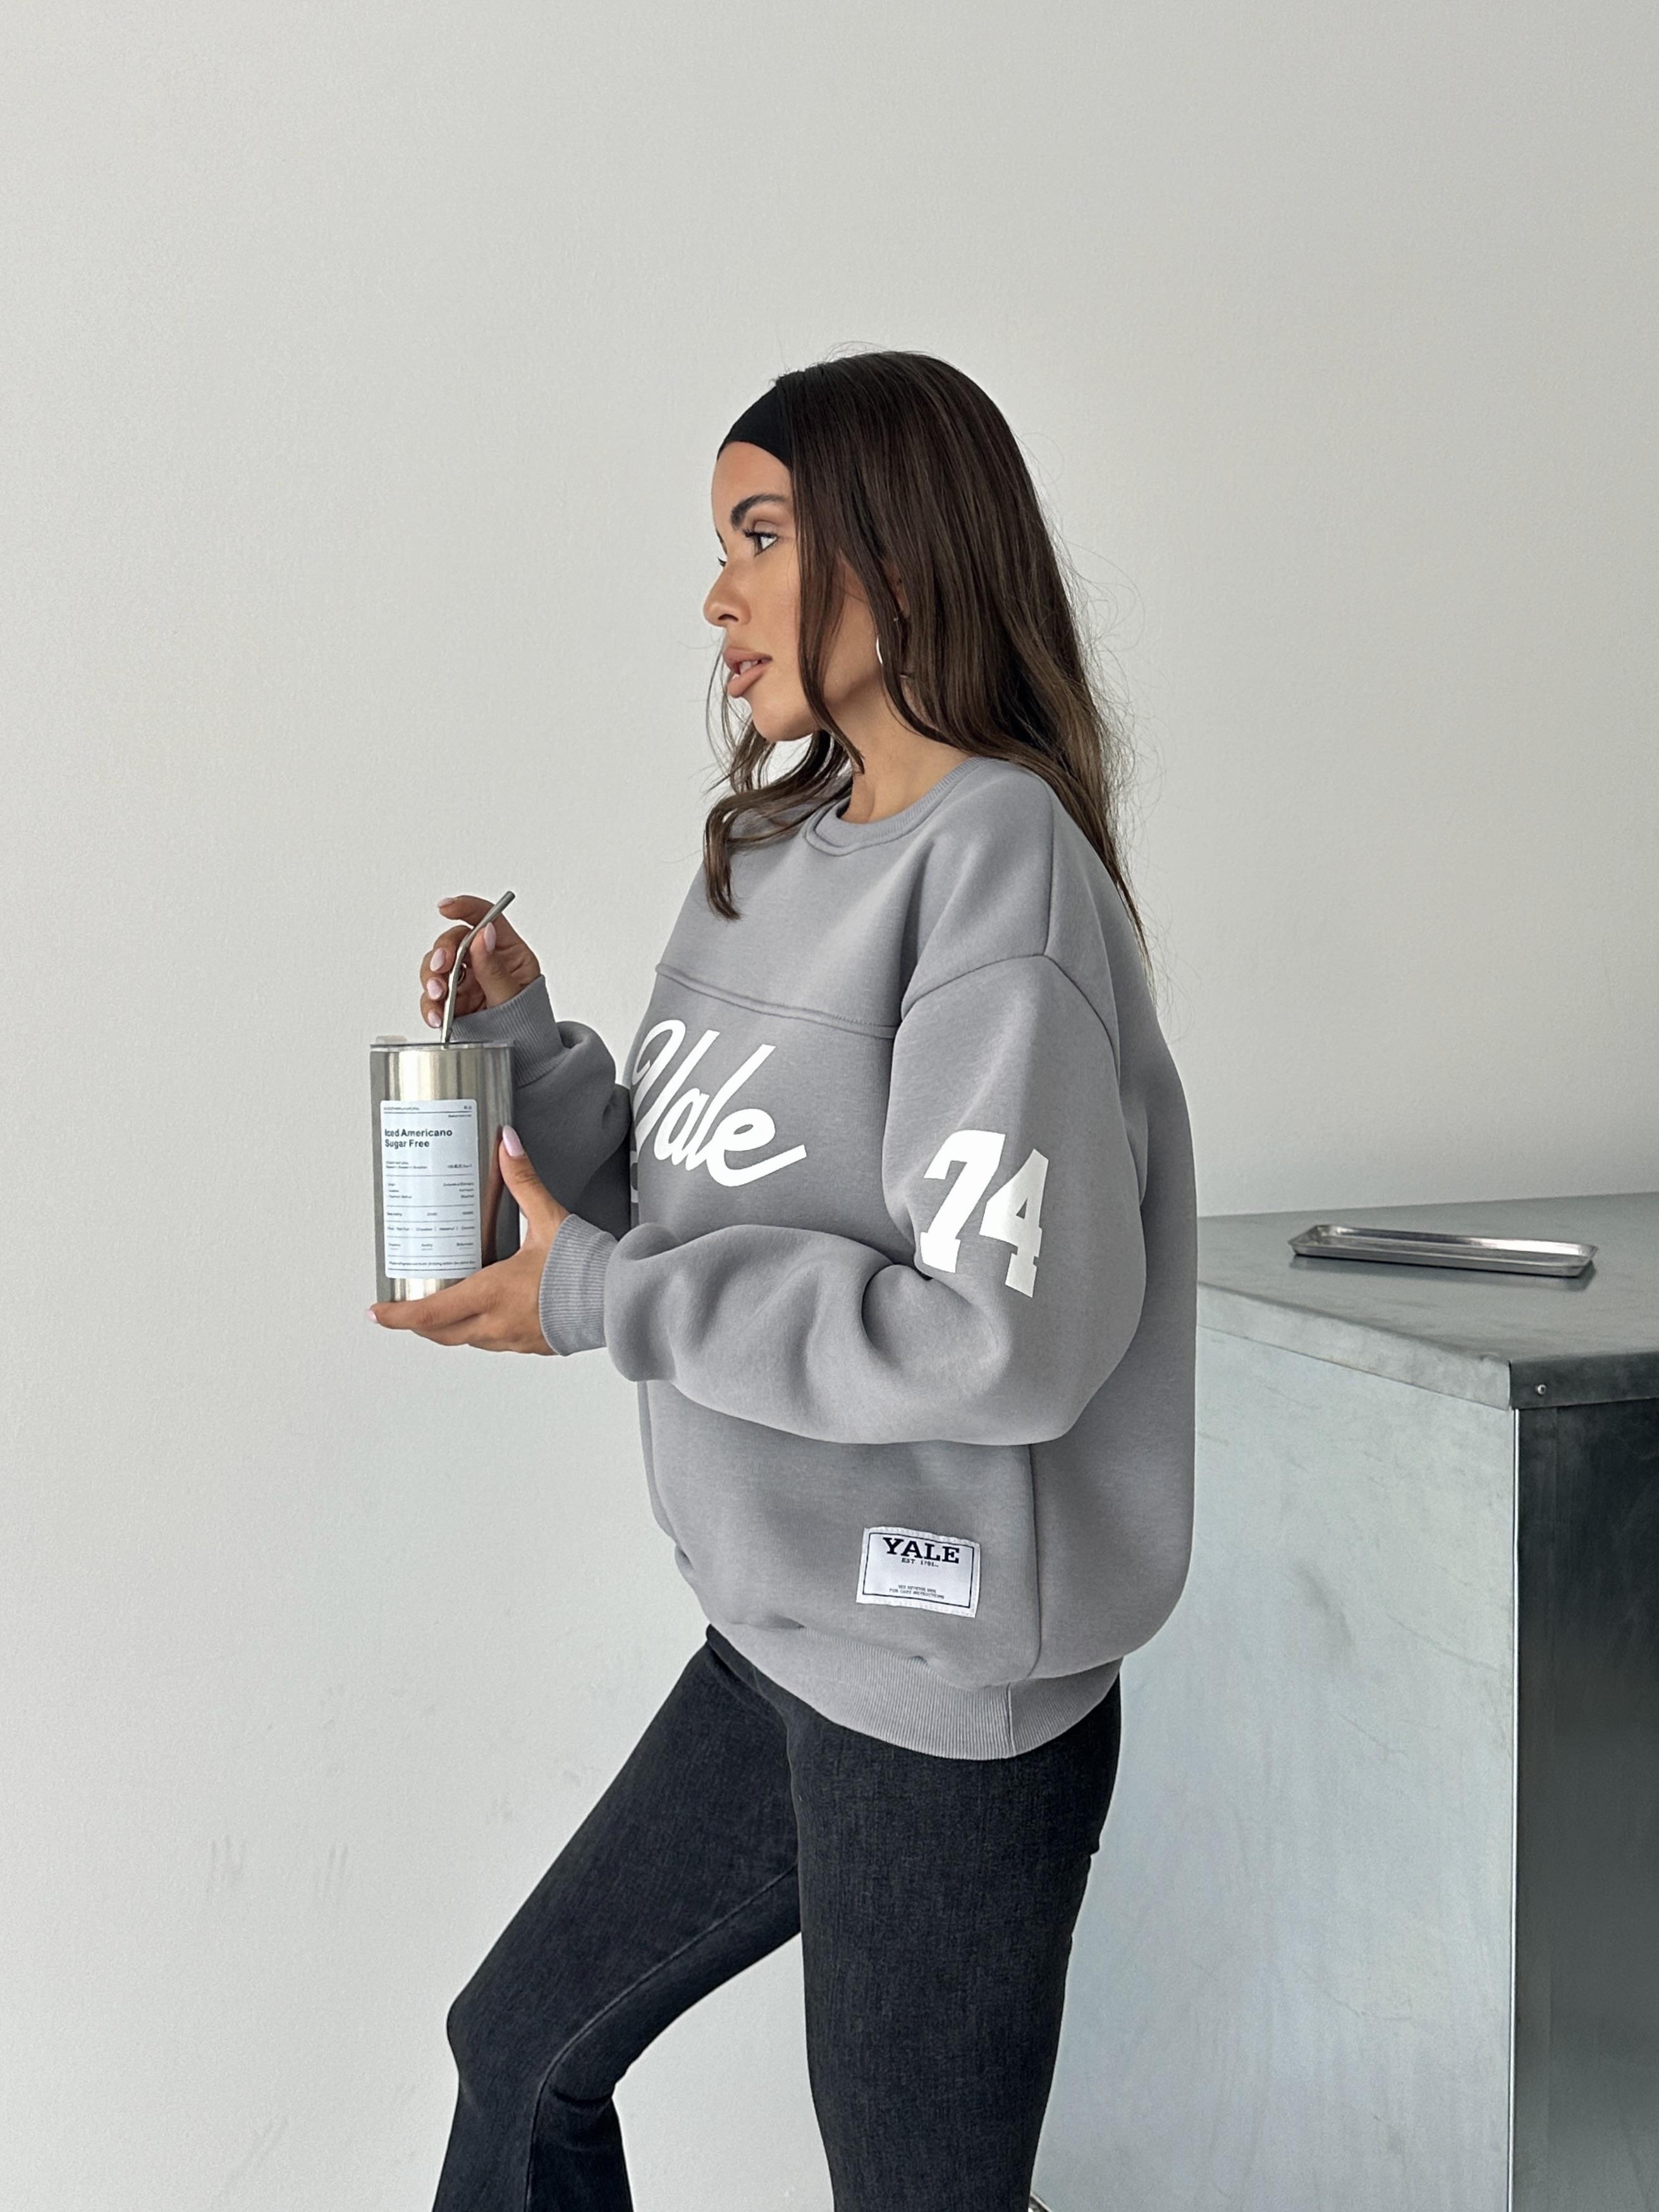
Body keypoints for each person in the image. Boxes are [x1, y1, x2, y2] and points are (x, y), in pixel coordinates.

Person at [371, 350, 1197, 2212]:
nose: (717, 596)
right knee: (520, 2047)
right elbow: (684, 1197)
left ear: (899, 558)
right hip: (780, 1632)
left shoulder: (1000, 868)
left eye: (760, 537)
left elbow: (1000, 1343)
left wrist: (599, 1305)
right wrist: (525, 1046)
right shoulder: (776, 846)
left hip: (944, 1680)